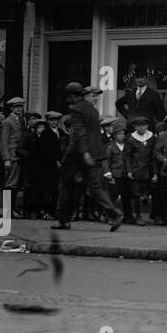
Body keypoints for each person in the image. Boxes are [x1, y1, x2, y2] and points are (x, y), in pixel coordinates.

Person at [54, 82, 123, 231]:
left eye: (69, 96)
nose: (68, 100)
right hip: (95, 152)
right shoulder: (91, 109)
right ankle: (115, 214)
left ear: (73, 96)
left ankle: (63, 220)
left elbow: (80, 133)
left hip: (78, 153)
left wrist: (85, 153)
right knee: (96, 188)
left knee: (64, 185)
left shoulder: (75, 109)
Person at [123, 114, 158, 225]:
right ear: (135, 127)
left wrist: (155, 172)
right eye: (138, 126)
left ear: (147, 126)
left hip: (149, 169)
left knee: (152, 190)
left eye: (143, 125)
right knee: (136, 194)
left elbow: (154, 155)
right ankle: (138, 216)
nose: (141, 128)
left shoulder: (152, 137)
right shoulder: (131, 139)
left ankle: (154, 214)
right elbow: (127, 156)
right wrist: (129, 170)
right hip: (136, 169)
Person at [0, 96, 26, 203]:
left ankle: (12, 208)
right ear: (11, 108)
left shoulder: (21, 120)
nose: (19, 109)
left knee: (16, 183)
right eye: (16, 107)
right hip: (12, 155)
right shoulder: (7, 122)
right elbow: (4, 141)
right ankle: (7, 209)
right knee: (11, 182)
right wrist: (6, 158)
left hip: (19, 155)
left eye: (20, 107)